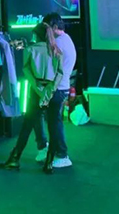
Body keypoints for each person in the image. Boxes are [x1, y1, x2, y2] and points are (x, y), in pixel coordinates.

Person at [0, 22, 63, 172]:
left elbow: (27, 71)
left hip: (36, 91)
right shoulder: (56, 51)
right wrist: (49, 91)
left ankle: (14, 159)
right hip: (53, 92)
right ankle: (49, 163)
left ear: (37, 34)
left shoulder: (30, 50)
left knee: (27, 125)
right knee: (53, 127)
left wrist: (39, 90)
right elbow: (60, 74)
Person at [43, 12, 77, 170]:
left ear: (54, 27)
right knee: (54, 122)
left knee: (55, 123)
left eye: (47, 28)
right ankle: (57, 151)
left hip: (58, 88)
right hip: (62, 87)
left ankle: (62, 155)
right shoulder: (66, 38)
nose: (45, 31)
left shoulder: (58, 43)